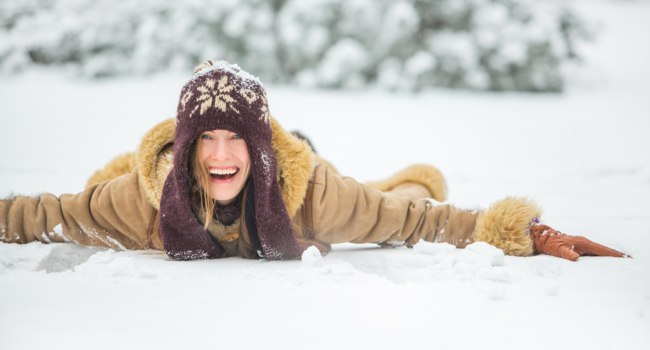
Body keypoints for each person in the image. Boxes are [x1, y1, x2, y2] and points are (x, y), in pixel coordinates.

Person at [0, 60, 628, 262]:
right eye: (206, 141)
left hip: (311, 173)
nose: (221, 155)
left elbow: (420, 224)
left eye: (237, 138)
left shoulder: (314, 193)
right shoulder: (141, 197)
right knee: (95, 186)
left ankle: (404, 171)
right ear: (187, 148)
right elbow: (44, 213)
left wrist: (529, 232)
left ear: (260, 148)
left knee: (396, 201)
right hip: (141, 177)